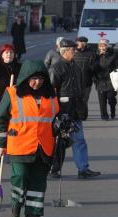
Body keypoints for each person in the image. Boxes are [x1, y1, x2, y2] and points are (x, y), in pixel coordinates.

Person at [0, 60, 59, 217]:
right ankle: (16, 202)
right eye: (34, 79)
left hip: (44, 146)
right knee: (20, 177)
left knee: (38, 181)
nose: (38, 82)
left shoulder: (51, 95)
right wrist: (0, 144)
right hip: (19, 145)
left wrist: (62, 126)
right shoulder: (12, 93)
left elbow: (56, 117)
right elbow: (0, 120)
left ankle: (34, 212)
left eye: (41, 79)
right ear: (25, 78)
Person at [49, 39, 101, 179]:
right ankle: (55, 169)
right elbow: (52, 92)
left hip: (76, 109)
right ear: (65, 52)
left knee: (79, 140)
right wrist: (56, 112)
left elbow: (80, 89)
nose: (76, 52)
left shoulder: (76, 66)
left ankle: (83, 169)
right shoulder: (56, 68)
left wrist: (82, 106)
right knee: (60, 142)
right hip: (63, 110)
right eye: (73, 50)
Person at [93, 39, 117, 120]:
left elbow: (115, 65)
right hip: (100, 81)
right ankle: (104, 115)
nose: (102, 47)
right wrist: (99, 56)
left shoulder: (113, 54)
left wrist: (105, 55)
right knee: (102, 100)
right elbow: (93, 67)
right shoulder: (96, 55)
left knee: (111, 98)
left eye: (104, 45)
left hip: (111, 80)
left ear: (107, 46)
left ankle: (113, 110)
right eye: (100, 45)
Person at [74, 36, 95, 108]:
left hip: (87, 81)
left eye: (84, 42)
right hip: (75, 82)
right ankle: (77, 114)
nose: (82, 44)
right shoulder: (73, 52)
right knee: (76, 99)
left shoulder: (91, 53)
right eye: (80, 42)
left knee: (85, 99)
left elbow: (94, 66)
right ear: (77, 42)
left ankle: (83, 114)